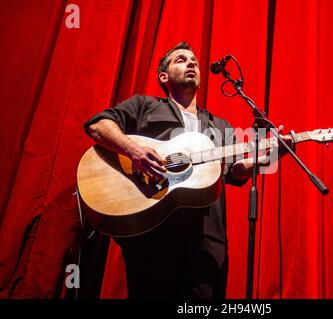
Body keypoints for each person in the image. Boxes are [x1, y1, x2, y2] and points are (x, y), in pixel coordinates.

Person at [84, 42, 291, 298]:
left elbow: (234, 171)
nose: (191, 63)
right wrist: (133, 151)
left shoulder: (218, 125)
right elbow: (98, 126)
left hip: (207, 239)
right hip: (153, 232)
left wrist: (271, 155)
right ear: (164, 76)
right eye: (181, 60)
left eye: (193, 60)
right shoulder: (144, 106)